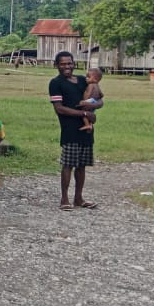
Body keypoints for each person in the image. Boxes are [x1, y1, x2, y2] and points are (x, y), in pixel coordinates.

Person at [49, 52, 101, 211]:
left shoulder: (83, 80)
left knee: (82, 165)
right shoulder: (56, 83)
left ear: (74, 63)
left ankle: (79, 198)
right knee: (68, 164)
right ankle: (64, 199)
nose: (67, 66)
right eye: (63, 64)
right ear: (56, 65)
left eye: (69, 63)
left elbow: (99, 99)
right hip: (70, 129)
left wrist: (93, 106)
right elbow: (59, 108)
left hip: (86, 130)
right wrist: (84, 113)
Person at [78, 68, 104, 132]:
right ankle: (90, 125)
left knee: (83, 113)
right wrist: (97, 98)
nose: (86, 78)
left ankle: (87, 125)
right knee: (90, 113)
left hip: (89, 101)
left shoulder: (91, 85)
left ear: (95, 79)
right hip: (94, 101)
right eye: (86, 76)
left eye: (88, 77)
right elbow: (101, 95)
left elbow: (88, 93)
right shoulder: (97, 85)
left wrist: (85, 101)